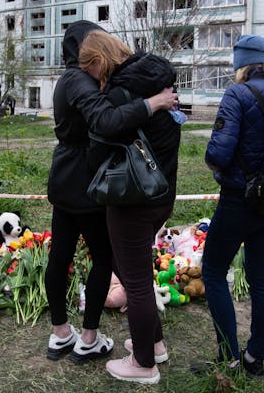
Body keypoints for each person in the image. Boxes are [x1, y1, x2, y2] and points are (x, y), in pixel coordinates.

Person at [45, 21, 177, 368]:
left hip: (65, 179)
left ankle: (62, 333)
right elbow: (104, 121)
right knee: (106, 258)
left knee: (61, 255)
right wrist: (152, 104)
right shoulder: (83, 80)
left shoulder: (67, 79)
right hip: (89, 182)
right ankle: (88, 337)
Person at [78, 30, 181, 385]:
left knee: (134, 282)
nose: (90, 77)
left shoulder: (125, 91)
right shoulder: (153, 80)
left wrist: (146, 106)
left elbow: (104, 124)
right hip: (161, 192)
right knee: (134, 271)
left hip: (132, 197)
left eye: (89, 67)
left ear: (100, 59)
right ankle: (154, 344)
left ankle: (142, 364)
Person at [200, 35, 264, 379]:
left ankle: (227, 357)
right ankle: (254, 358)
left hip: (237, 200)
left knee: (213, 272)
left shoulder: (237, 94)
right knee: (260, 276)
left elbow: (218, 153)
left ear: (240, 63)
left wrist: (218, 166)